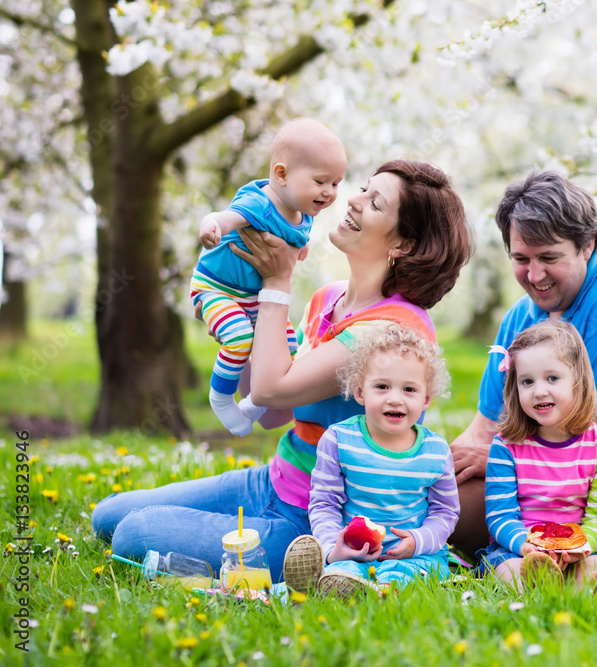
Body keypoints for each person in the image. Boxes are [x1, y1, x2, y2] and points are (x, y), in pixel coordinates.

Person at [92, 160, 472, 583]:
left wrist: (277, 281)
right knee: (106, 516)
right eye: (363, 188)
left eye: (375, 202)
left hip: (316, 523)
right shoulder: (329, 299)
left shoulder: (390, 331)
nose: (353, 199)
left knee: (133, 534)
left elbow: (273, 389)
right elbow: (274, 412)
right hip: (273, 482)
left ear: (403, 244)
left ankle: (297, 570)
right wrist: (236, 323)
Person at [449, 169, 597, 558]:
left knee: (445, 510)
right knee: (422, 490)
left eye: (549, 258)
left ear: (587, 245)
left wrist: (496, 458)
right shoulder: (521, 318)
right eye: (521, 259)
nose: (534, 275)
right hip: (527, 484)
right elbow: (483, 427)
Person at [191, 118, 347, 436]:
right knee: (238, 338)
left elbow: (296, 245)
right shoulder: (260, 204)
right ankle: (220, 397)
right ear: (281, 174)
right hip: (217, 288)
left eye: (335, 184)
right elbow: (225, 216)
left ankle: (252, 406)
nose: (329, 192)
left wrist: (295, 256)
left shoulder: (303, 214)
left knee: (286, 350)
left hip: (252, 297)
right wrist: (211, 227)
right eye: (321, 181)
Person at [280, 324, 458, 598]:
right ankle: (333, 580)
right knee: (344, 571)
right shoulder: (339, 440)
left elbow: (445, 513)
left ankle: (375, 590)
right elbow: (324, 503)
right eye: (382, 387)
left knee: (401, 576)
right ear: (361, 392)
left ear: (426, 399)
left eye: (409, 389)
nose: (395, 399)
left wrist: (418, 541)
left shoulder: (435, 451)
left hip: (416, 557)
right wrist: (332, 549)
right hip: (352, 551)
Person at [478, 320, 597, 604]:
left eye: (552, 378)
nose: (539, 391)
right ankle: (540, 587)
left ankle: (596, 594)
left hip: (579, 550)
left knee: (596, 569)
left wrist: (582, 546)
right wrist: (526, 545)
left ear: (578, 380)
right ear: (514, 389)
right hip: (520, 550)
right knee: (509, 571)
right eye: (527, 381)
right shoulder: (506, 445)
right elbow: (499, 515)